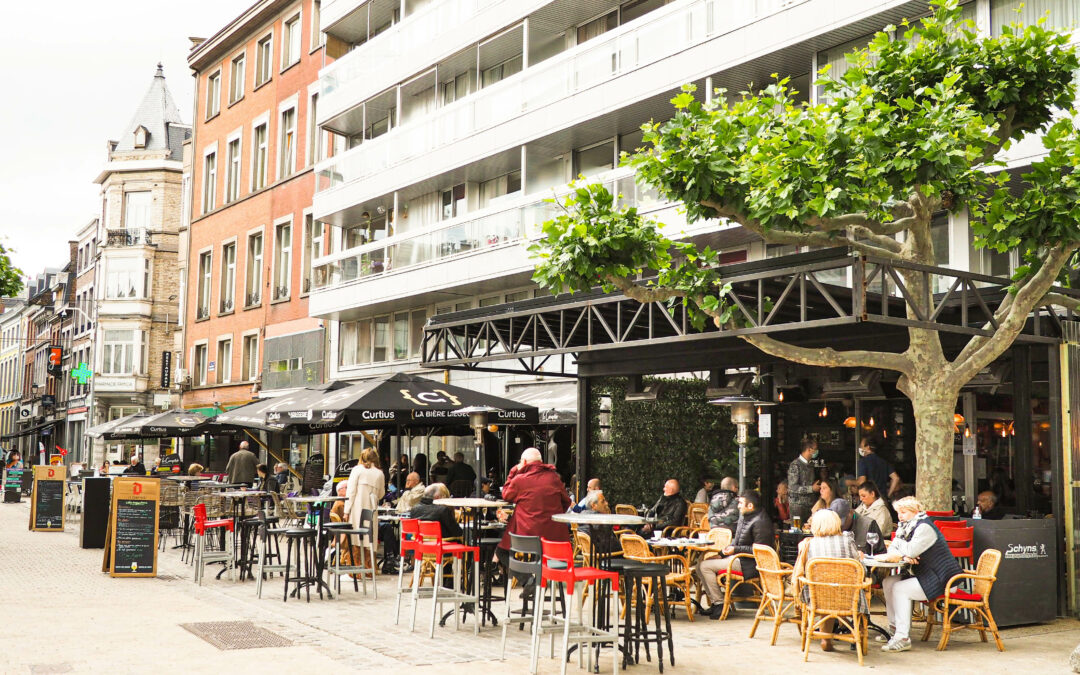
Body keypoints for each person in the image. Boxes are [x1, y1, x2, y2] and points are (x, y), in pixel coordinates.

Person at [878, 496, 963, 653]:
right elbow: (894, 550)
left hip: (942, 578)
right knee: (888, 582)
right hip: (925, 574)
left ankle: (902, 638)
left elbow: (908, 549)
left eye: (903, 512)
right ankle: (894, 628)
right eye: (899, 513)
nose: (900, 516)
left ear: (915, 511)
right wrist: (904, 555)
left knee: (899, 588)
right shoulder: (906, 527)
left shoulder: (924, 527)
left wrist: (901, 547)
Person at [791, 509, 866, 651]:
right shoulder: (847, 541)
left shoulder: (810, 544)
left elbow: (805, 570)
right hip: (848, 597)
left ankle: (826, 639)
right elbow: (860, 570)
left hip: (816, 596)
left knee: (826, 591)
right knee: (840, 590)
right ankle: (852, 636)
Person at [695, 490, 775, 619]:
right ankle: (716, 603)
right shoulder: (746, 516)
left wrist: (735, 550)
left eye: (741, 503)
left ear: (750, 506)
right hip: (739, 558)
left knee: (705, 566)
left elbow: (761, 551)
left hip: (750, 564)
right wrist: (721, 554)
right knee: (699, 565)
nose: (738, 506)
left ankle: (720, 604)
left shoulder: (761, 522)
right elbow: (737, 542)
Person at [496, 448, 571, 584]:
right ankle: (538, 585)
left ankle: (527, 580)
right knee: (541, 555)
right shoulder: (553, 477)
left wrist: (513, 471)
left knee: (501, 552)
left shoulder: (519, 480)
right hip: (553, 539)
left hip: (526, 537)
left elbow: (506, 494)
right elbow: (566, 501)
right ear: (541, 462)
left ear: (523, 462)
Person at [344, 448, 386, 550]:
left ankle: (357, 562)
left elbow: (351, 492)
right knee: (370, 540)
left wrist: (346, 511)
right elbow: (381, 494)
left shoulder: (357, 470)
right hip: (371, 511)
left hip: (356, 510)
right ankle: (368, 562)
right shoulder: (380, 473)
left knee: (356, 540)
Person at [787, 438, 820, 523]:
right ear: (809, 450)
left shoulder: (811, 465)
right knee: (797, 532)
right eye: (815, 449)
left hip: (810, 506)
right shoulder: (795, 465)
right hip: (797, 507)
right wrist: (811, 488)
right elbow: (792, 487)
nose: (816, 451)